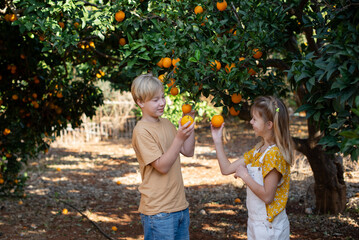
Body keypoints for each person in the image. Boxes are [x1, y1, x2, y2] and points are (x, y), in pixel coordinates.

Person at [211, 96, 294, 240]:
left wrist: (245, 176)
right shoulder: (258, 151)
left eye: (255, 119)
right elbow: (226, 169)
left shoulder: (274, 154)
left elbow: (268, 196)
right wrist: (217, 140)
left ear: (269, 125)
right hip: (256, 222)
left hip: (270, 227)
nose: (250, 122)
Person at [131, 73, 195, 240]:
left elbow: (188, 151)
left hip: (180, 207)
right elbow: (162, 166)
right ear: (140, 102)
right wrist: (179, 137)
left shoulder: (166, 123)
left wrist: (190, 126)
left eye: (163, 97)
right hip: (158, 212)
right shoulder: (141, 131)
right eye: (155, 100)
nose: (162, 103)